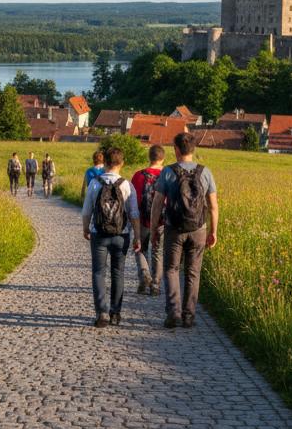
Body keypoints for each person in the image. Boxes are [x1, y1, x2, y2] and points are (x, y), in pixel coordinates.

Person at [149, 132, 218, 329]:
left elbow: (157, 203)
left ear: (176, 150)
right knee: (193, 272)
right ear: (193, 149)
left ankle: (173, 314)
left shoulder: (168, 172)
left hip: (174, 228)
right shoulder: (205, 172)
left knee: (171, 269)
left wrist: (155, 229)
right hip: (198, 229)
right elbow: (213, 206)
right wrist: (214, 231)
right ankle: (189, 316)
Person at [82, 147, 141, 327]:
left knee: (98, 272)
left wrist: (86, 229)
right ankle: (116, 313)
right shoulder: (126, 185)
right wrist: (137, 236)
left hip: (98, 234)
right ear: (121, 164)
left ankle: (102, 313)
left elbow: (86, 211)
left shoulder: (94, 183)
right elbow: (134, 214)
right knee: (118, 273)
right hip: (121, 235)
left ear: (105, 163)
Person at [131, 144, 166, 296]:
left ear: (149, 157)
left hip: (142, 219)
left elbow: (133, 200)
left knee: (139, 248)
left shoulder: (138, 175)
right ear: (162, 158)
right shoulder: (168, 175)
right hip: (161, 221)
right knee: (158, 252)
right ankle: (156, 285)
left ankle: (144, 274)